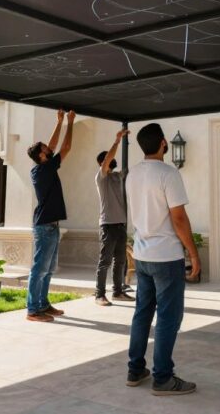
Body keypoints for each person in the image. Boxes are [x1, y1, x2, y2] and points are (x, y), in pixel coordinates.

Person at [125, 123, 200, 396]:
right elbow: (178, 218)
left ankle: (135, 370)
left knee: (142, 313)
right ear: (164, 143)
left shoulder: (132, 174)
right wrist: (193, 253)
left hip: (142, 255)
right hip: (166, 257)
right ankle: (163, 378)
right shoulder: (168, 173)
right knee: (168, 317)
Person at [25, 108, 75, 323]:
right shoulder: (43, 170)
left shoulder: (44, 167)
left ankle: (43, 304)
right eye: (47, 149)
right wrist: (70, 123)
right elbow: (65, 147)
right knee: (39, 269)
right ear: (42, 156)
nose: (50, 149)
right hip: (45, 226)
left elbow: (54, 146)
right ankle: (32, 310)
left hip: (51, 225)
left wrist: (60, 121)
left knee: (48, 269)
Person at [94, 128, 134, 306]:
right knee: (105, 262)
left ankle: (118, 292)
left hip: (121, 225)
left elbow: (129, 171)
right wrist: (117, 141)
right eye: (107, 160)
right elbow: (107, 161)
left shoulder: (118, 177)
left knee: (121, 261)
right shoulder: (100, 178)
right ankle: (99, 295)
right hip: (108, 225)